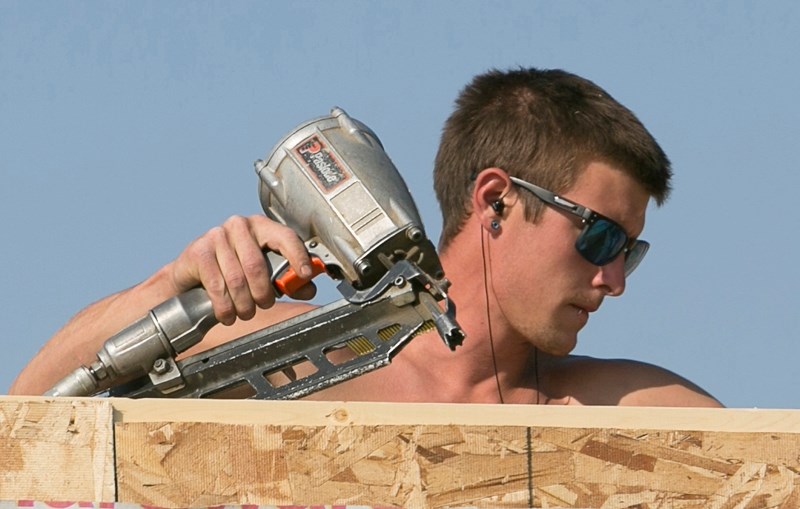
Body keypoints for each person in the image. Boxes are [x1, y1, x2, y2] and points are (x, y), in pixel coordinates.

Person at [9, 67, 722, 407]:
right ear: (496, 199)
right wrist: (168, 288)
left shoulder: (623, 407)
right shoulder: (301, 362)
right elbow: (27, 414)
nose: (616, 278)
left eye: (630, 250)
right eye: (599, 238)